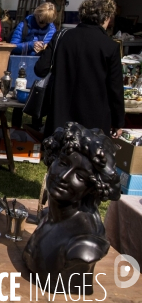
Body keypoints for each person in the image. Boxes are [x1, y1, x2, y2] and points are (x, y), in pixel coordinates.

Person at [23, 122, 121, 295]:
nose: (63, 176)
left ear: (93, 188)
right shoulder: (48, 216)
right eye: (63, 163)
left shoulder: (84, 245)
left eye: (80, 176)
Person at [34, 0, 124, 138]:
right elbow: (115, 89)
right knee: (88, 160)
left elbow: (40, 69)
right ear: (106, 17)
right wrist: (118, 122)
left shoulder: (61, 37)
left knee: (59, 159)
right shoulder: (110, 46)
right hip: (94, 125)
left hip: (60, 120)